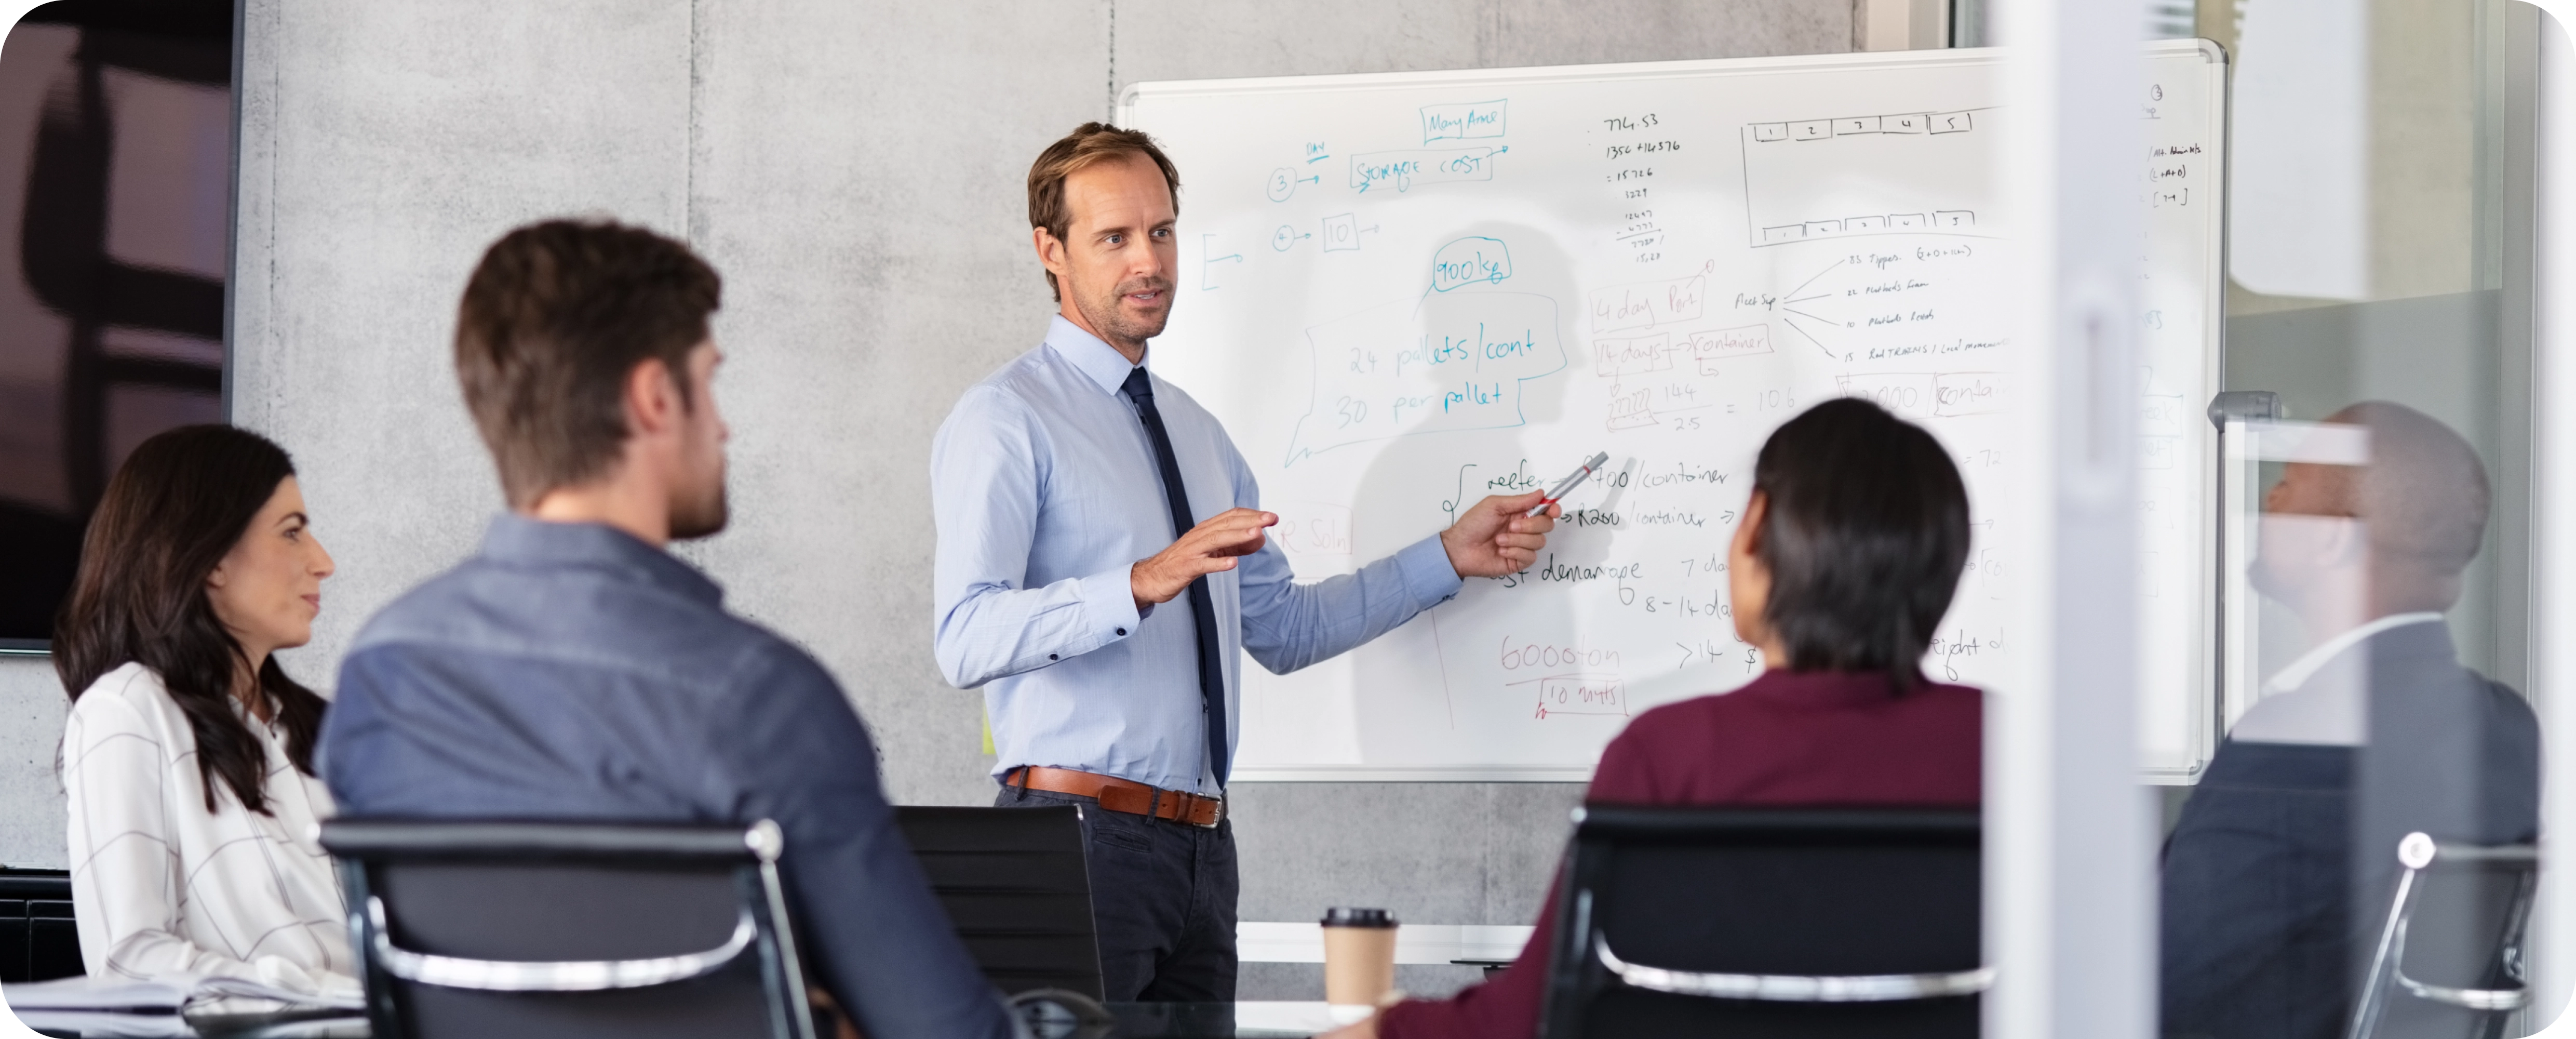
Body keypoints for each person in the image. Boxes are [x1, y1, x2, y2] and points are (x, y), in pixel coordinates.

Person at [319, 220, 1020, 1039]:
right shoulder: (761, 698)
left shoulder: (379, 676)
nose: (721, 426)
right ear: (655, 398)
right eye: (709, 383)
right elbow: (940, 1029)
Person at [930, 122, 1563, 1003]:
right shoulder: (1005, 419)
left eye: (1161, 231)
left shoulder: (1200, 434)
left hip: (1201, 856)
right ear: (1052, 250)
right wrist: (1142, 582)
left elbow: (1285, 630)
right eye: (1114, 238)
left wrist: (1449, 556)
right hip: (1072, 845)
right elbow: (964, 638)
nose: (1148, 261)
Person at [1332, 397, 1984, 1039]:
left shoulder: (1669, 755)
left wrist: (1382, 1027)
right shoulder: (2014, 747)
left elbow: (1525, 1018)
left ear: (1757, 527)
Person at [2159, 402, 2538, 1039]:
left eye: (2287, 484)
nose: (2269, 500)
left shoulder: (2304, 735)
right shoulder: (2505, 725)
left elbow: (2156, 986)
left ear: (2334, 535)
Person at [53, 425, 354, 999]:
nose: (324, 562)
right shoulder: (127, 709)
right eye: (292, 533)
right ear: (211, 557)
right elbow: (130, 961)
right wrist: (343, 996)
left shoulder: (319, 725)